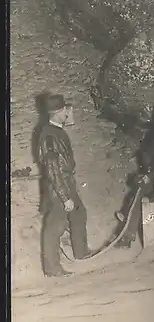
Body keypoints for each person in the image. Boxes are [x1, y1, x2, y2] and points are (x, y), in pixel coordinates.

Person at [38, 94, 94, 277]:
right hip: (58, 187)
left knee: (79, 213)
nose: (69, 113)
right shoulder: (50, 136)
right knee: (56, 225)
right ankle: (52, 268)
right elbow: (53, 169)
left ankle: (81, 252)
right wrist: (64, 196)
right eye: (66, 111)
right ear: (59, 112)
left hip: (65, 183)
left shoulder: (56, 131)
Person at [114, 104, 154, 249]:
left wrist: (151, 174)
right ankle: (127, 227)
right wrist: (148, 173)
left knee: (139, 193)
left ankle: (127, 233)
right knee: (138, 192)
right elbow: (147, 156)